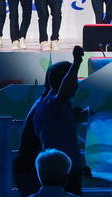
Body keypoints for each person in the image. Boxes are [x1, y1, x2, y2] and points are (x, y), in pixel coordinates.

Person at [32, 46, 85, 195]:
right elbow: (64, 92)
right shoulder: (53, 103)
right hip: (59, 171)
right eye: (74, 79)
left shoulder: (54, 105)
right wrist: (77, 62)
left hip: (65, 169)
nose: (76, 84)